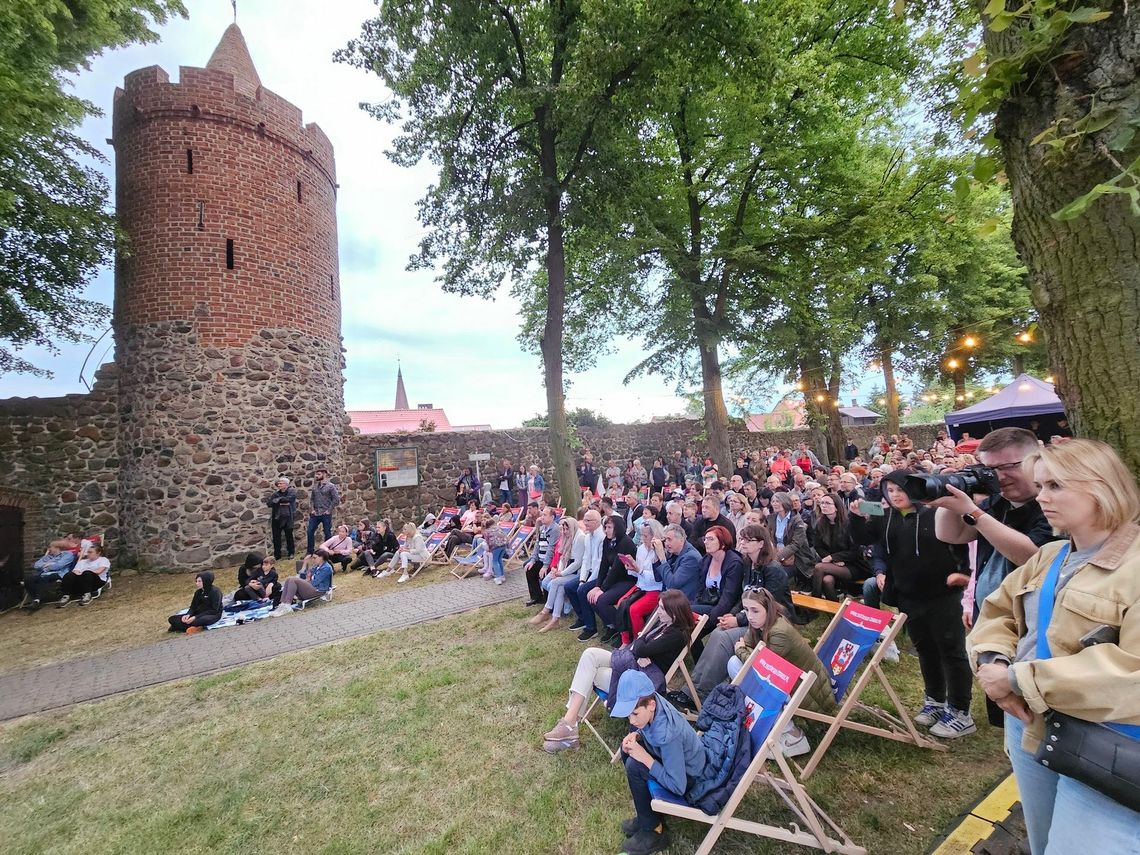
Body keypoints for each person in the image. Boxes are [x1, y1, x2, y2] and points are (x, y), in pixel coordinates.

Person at [967, 438, 1140, 853]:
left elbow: (1132, 671)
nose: (1041, 497)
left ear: (1102, 487)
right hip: (1029, 724)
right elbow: (998, 613)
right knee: (1044, 840)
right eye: (1040, 486)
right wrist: (992, 660)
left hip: (1105, 739)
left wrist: (1013, 678)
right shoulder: (1050, 555)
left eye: (1055, 486)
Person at [930, 427, 1059, 725]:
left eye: (1011, 466)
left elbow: (1032, 555)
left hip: (1036, 626)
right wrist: (948, 499)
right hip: (996, 624)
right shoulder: (996, 502)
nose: (1000, 477)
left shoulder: (1052, 504)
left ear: (1037, 458)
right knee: (1008, 716)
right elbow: (951, 534)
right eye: (990, 469)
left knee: (1039, 716)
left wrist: (974, 512)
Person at [850, 471, 975, 739]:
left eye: (900, 489)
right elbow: (863, 537)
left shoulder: (935, 513)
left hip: (942, 594)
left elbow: (960, 545)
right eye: (890, 490)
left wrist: (963, 573)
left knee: (951, 652)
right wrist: (856, 516)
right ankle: (935, 701)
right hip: (909, 596)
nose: (895, 495)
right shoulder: (887, 517)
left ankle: (960, 711)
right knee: (925, 650)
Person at [541, 591, 697, 757]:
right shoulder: (664, 625)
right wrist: (641, 646)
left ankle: (569, 728)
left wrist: (641, 644)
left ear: (674, 612)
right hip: (632, 663)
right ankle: (569, 723)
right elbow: (639, 643)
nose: (657, 611)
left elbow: (640, 645)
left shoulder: (676, 635)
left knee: (591, 673)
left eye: (661, 609)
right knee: (590, 654)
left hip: (641, 678)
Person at [727, 588, 838, 756]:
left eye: (755, 610)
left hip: (810, 692)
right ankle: (769, 723)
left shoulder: (779, 632)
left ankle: (794, 737)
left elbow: (763, 666)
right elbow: (751, 650)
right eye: (746, 610)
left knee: (756, 679)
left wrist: (742, 650)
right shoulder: (761, 623)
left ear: (768, 609)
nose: (750, 616)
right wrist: (744, 650)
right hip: (791, 681)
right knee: (735, 664)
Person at [612, 668, 705, 855]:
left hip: (689, 779)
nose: (631, 719)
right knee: (628, 749)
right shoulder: (651, 702)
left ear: (651, 705)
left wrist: (646, 759)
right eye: (628, 714)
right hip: (673, 762)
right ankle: (647, 814)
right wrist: (637, 735)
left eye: (635, 714)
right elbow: (647, 727)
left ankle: (654, 831)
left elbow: (678, 786)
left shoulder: (668, 735)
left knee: (634, 765)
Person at [612, 519, 668, 644]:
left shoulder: (660, 550)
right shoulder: (642, 548)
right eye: (641, 534)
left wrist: (639, 570)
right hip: (641, 586)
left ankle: (639, 641)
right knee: (621, 602)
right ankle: (625, 640)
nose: (642, 538)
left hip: (655, 589)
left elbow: (658, 577)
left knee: (634, 610)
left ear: (654, 536)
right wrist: (631, 567)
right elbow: (638, 573)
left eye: (645, 535)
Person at [586, 516, 638, 643]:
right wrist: (598, 586)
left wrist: (602, 589)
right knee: (591, 597)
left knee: (602, 600)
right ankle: (612, 626)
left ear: (617, 528)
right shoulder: (607, 541)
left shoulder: (625, 542)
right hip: (616, 580)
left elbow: (616, 568)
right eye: (605, 527)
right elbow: (604, 565)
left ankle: (624, 631)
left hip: (628, 580)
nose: (606, 530)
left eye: (609, 527)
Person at [810, 493, 869, 600]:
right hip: (834, 565)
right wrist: (832, 559)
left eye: (827, 503)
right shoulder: (820, 524)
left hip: (855, 565)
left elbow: (855, 551)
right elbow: (818, 547)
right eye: (822, 503)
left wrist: (833, 558)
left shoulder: (849, 523)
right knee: (827, 580)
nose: (824, 505)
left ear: (837, 507)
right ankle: (833, 611)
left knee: (819, 567)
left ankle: (814, 601)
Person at [529, 516, 581, 632]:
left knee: (556, 582)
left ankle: (546, 611)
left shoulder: (579, 539)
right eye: (563, 529)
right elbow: (562, 558)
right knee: (558, 586)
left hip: (578, 573)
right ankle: (555, 618)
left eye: (567, 529)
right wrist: (557, 571)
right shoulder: (567, 539)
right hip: (566, 571)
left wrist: (561, 573)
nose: (565, 532)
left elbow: (577, 563)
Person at [693, 526, 745, 630]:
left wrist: (708, 621)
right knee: (682, 612)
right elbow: (699, 590)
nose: (706, 542)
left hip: (724, 609)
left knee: (684, 611)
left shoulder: (734, 563)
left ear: (723, 543)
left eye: (711, 539)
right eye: (705, 539)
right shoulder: (705, 561)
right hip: (707, 603)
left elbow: (728, 598)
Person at [770, 492, 815, 586]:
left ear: (785, 502)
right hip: (776, 555)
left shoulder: (797, 520)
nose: (774, 503)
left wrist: (777, 557)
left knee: (776, 575)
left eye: (777, 501)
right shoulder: (771, 518)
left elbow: (796, 544)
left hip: (796, 558)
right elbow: (769, 539)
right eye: (773, 501)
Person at [270, 550, 334, 615]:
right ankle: (283, 604)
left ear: (321, 557)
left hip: (318, 590)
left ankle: (287, 605)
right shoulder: (316, 566)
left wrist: (306, 580)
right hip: (312, 588)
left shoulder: (326, 568)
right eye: (312, 558)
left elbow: (314, 582)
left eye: (315, 558)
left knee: (293, 580)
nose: (313, 560)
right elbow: (302, 574)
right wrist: (305, 563)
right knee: (289, 579)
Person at [21, 543, 77, 609]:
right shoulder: (47, 557)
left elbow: (59, 566)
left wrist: (49, 566)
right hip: (43, 574)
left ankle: (37, 600)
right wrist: (48, 564)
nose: (49, 549)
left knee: (43, 578)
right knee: (28, 580)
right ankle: (36, 598)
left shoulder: (67, 554)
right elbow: (36, 565)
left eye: (50, 547)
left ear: (57, 547)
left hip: (58, 574)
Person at [524, 506, 560, 606]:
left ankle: (548, 599)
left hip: (551, 562)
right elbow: (537, 544)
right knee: (528, 567)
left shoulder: (554, 529)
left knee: (543, 572)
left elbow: (551, 548)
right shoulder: (543, 528)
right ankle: (536, 597)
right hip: (540, 558)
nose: (542, 517)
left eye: (545, 515)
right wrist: (532, 559)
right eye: (542, 514)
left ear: (552, 517)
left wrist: (545, 566)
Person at [57, 543, 110, 607]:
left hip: (96, 581)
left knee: (87, 573)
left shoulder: (103, 560)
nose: (88, 554)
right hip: (82, 581)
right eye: (88, 552)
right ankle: (66, 596)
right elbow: (75, 571)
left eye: (90, 552)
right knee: (69, 575)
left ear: (98, 553)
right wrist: (79, 574)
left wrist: (83, 573)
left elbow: (99, 571)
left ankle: (88, 595)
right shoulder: (83, 562)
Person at [305, 467, 339, 555]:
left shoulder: (330, 486)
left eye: (319, 474)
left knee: (327, 532)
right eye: (316, 474)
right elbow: (312, 499)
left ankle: (326, 552)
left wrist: (329, 510)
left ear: (324, 474)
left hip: (325, 513)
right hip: (315, 513)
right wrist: (312, 509)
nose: (316, 476)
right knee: (310, 531)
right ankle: (310, 552)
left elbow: (336, 499)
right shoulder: (315, 487)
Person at [266, 477, 297, 559]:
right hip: (277, 517)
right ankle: (277, 555)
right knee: (276, 537)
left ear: (286, 485)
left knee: (289, 536)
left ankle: (291, 553)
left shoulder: (292, 492)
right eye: (278, 483)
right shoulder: (275, 494)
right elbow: (269, 503)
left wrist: (277, 501)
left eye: (280, 483)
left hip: (288, 517)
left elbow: (289, 499)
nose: (278, 485)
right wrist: (280, 501)